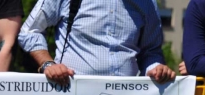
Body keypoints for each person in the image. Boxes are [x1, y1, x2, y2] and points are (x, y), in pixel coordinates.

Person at [17, 0, 175, 86]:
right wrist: (48, 64)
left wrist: (156, 68)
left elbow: (150, 51)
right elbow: (29, 31)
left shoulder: (148, 3)